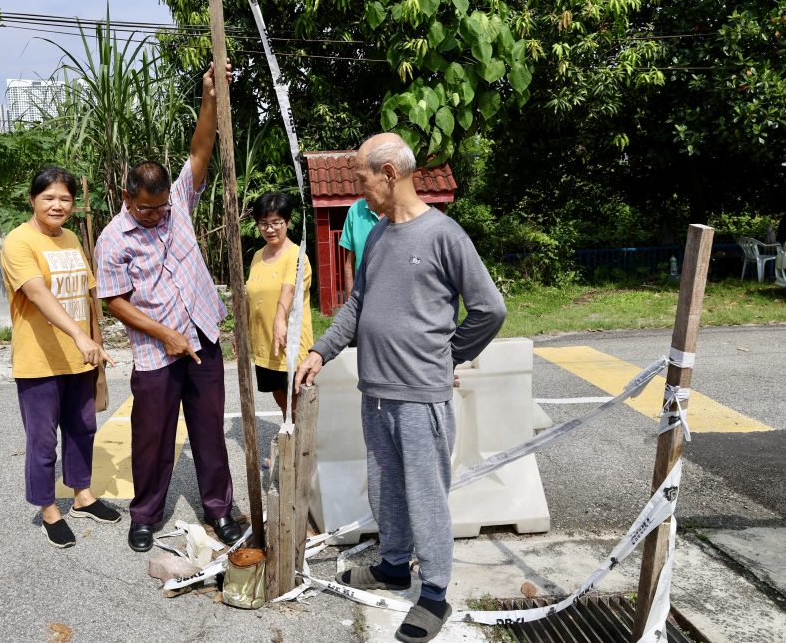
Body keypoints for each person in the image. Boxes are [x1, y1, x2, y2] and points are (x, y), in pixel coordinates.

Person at [294, 133, 506, 643]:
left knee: (425, 493)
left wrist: (449, 355)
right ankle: (393, 565)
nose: (359, 190)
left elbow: (490, 309)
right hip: (378, 390)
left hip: (421, 394)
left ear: (389, 173)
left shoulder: (445, 236)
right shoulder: (378, 236)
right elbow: (357, 305)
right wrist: (321, 350)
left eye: (362, 179)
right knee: (386, 484)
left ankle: (433, 593)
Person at [95, 61, 242, 553]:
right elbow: (114, 301)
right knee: (152, 438)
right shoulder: (114, 239)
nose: (157, 216)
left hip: (202, 336)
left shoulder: (178, 202)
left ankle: (220, 509)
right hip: (157, 354)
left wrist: (210, 96)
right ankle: (145, 515)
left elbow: (201, 148)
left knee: (209, 431)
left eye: (161, 209)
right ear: (126, 197)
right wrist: (164, 334)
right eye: (146, 209)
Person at [0, 165, 120, 549]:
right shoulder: (18, 242)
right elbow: (37, 294)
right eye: (48, 198)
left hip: (81, 358)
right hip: (39, 361)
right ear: (32, 200)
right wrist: (78, 336)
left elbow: (88, 296)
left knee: (83, 428)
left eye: (64, 199)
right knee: (41, 439)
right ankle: (48, 508)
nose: (57, 205)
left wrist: (96, 344)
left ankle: (82, 495)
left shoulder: (71, 239)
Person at [245, 191, 312, 418]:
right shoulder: (256, 257)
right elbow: (250, 296)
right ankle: (287, 440)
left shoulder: (296, 256)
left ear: (288, 222)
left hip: (289, 343)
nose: (270, 229)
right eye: (263, 223)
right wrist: (241, 332)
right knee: (281, 400)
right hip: (265, 342)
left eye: (276, 222)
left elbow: (289, 289)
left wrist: (280, 320)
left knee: (296, 401)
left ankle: (299, 448)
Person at [340, 197, 380, 299]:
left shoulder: (402, 211)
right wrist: (350, 303)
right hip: (363, 297)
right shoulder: (355, 210)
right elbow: (349, 263)